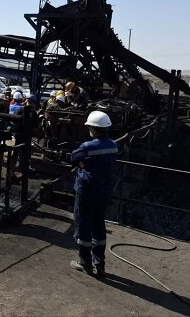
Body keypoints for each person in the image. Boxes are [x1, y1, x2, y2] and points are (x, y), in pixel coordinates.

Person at [70, 111, 117, 277]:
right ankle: (100, 264)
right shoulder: (113, 145)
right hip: (104, 191)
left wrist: (84, 162)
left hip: (87, 191)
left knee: (83, 225)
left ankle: (85, 263)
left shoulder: (88, 146)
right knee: (99, 225)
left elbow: (73, 157)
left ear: (94, 129)